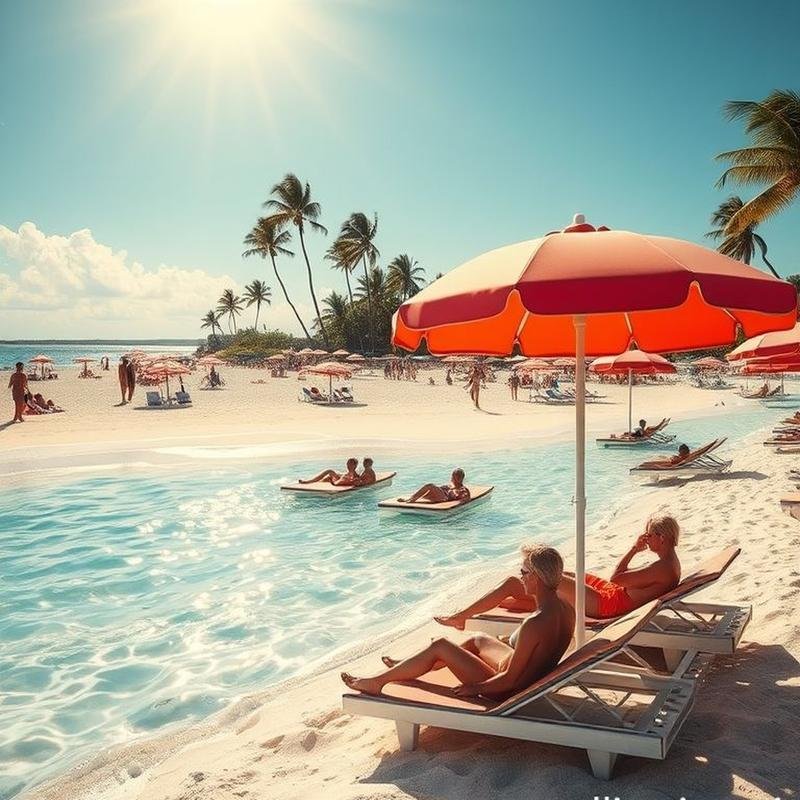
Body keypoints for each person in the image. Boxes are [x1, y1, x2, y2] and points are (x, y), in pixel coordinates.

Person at [341, 544, 574, 697]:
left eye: (523, 572)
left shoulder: (535, 623)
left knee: (440, 644)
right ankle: (414, 664)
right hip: (524, 676)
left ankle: (377, 682)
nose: (520, 577)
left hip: (505, 688)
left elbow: (510, 680)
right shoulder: (567, 610)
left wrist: (474, 688)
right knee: (478, 639)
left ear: (536, 577)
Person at [437, 516, 681, 628]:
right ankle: (529, 565)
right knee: (545, 581)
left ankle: (461, 617)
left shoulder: (660, 567)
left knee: (521, 580)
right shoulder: (669, 564)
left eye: (648, 535)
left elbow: (616, 577)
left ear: (661, 537)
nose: (645, 540)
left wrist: (633, 550)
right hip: (608, 594)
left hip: (605, 604)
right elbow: (620, 582)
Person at [398, 468, 470, 504]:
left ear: (461, 478)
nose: (455, 478)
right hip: (441, 496)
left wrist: (459, 497)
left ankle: (411, 500)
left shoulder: (462, 489)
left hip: (444, 498)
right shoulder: (452, 485)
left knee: (430, 486)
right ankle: (411, 499)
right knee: (428, 492)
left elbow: (465, 497)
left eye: (457, 477)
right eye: (454, 476)